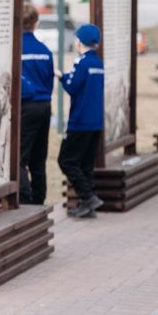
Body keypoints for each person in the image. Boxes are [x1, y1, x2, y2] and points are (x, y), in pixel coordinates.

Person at [56, 24, 105, 219]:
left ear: (79, 41)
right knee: (86, 164)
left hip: (80, 121)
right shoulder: (98, 63)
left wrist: (61, 77)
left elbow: (72, 86)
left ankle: (88, 196)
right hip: (95, 122)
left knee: (66, 160)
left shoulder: (81, 63)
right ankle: (87, 205)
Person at [18, 4, 54, 205]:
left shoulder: (15, 50)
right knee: (39, 157)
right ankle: (39, 197)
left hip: (26, 107)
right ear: (36, 23)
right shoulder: (44, 50)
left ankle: (23, 197)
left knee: (20, 157)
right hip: (44, 105)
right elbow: (49, 81)